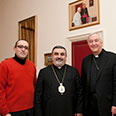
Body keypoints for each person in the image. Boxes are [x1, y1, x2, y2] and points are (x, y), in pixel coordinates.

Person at [34, 45, 83, 116]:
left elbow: (79, 92)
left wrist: (79, 110)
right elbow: (38, 95)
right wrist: (38, 113)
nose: (59, 57)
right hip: (49, 111)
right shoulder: (43, 72)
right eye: (56, 54)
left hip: (69, 110)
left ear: (66, 57)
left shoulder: (73, 71)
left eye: (62, 54)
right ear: (52, 56)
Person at [81, 32, 116, 116]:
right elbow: (83, 85)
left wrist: (115, 104)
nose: (93, 44)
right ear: (88, 44)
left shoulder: (112, 58)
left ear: (101, 42)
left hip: (107, 104)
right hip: (89, 106)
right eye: (90, 41)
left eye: (96, 40)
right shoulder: (85, 60)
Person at [0, 40, 37, 116]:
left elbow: (35, 86)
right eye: (20, 47)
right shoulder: (5, 65)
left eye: (26, 48)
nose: (23, 49)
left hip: (31, 109)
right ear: (14, 49)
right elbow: (0, 89)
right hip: (12, 111)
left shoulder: (32, 65)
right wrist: (5, 112)